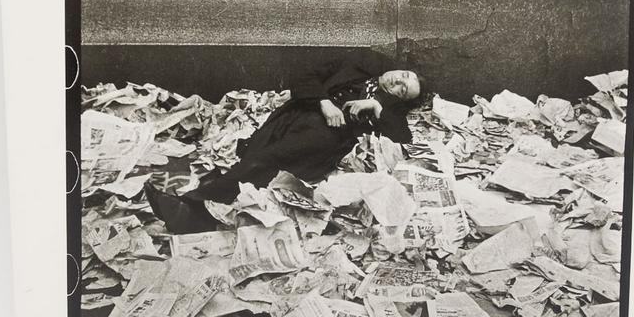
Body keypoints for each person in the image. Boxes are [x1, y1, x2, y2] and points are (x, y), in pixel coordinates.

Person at [145, 56, 425, 234]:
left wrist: (377, 105)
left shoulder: (390, 110)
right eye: (404, 75)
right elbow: (304, 76)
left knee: (265, 163)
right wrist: (324, 102)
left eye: (403, 89)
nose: (399, 82)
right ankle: (199, 216)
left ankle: (189, 207)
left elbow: (401, 140)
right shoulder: (356, 64)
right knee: (255, 166)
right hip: (296, 116)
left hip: (324, 138)